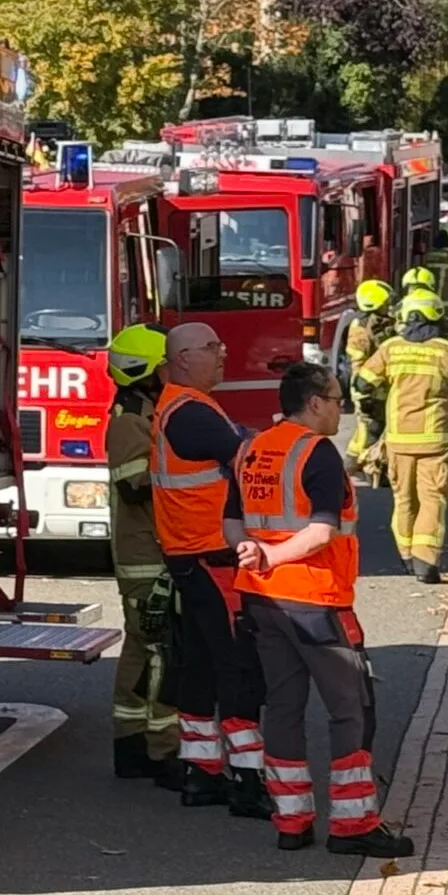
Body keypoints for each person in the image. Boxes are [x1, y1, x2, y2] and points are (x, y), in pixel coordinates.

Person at [231, 362, 415, 858]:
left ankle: (292, 821)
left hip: (262, 599)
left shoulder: (252, 449)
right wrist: (271, 554)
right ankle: (353, 826)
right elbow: (320, 531)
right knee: (351, 709)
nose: (342, 409)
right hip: (315, 600)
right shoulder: (317, 452)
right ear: (314, 402)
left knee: (284, 708)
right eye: (336, 400)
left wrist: (251, 552)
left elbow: (232, 522)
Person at [150, 322, 273, 817]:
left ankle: (202, 775)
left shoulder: (182, 408)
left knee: (199, 666)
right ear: (182, 359)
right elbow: (249, 456)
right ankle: (246, 781)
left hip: (191, 558)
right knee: (238, 668)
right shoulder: (190, 413)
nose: (222, 354)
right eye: (210, 348)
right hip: (211, 558)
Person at [353, 289, 448, 583]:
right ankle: (427, 562)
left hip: (399, 441)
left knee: (403, 500)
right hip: (436, 441)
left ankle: (408, 557)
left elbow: (362, 384)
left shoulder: (391, 348)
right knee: (432, 499)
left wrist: (372, 410)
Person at [104, 323, 183, 788]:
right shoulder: (131, 420)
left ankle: (132, 744)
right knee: (160, 653)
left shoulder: (142, 411)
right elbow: (137, 489)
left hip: (150, 552)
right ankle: (159, 750)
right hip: (145, 557)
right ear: (149, 370)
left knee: (143, 648)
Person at [342, 279, 396, 477]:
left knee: (371, 428)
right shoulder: (361, 329)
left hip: (380, 386)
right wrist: (364, 396)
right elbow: (359, 364)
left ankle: (352, 465)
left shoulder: (382, 323)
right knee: (370, 429)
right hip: (367, 388)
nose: (389, 306)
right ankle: (363, 467)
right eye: (386, 303)